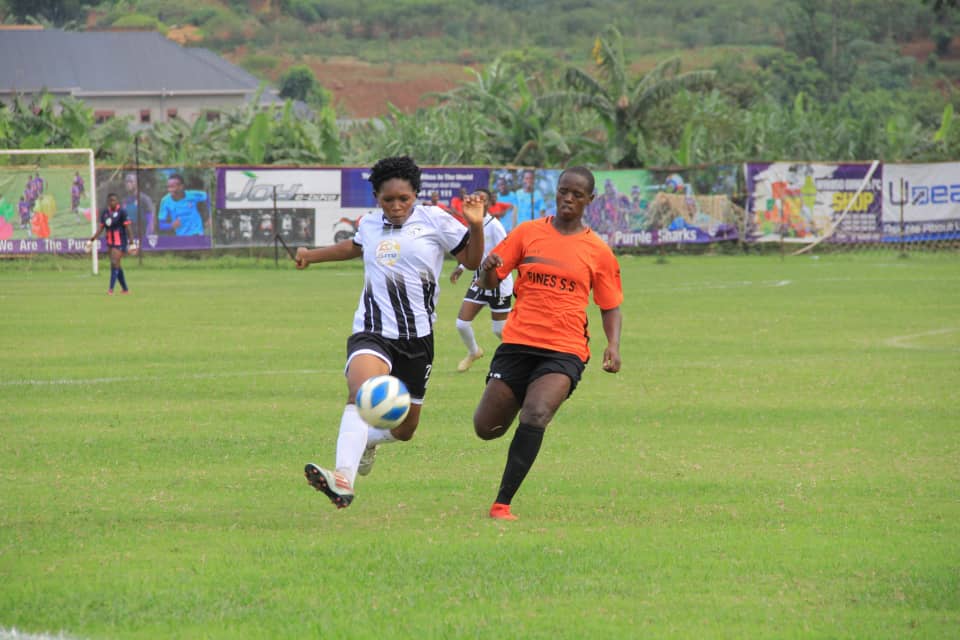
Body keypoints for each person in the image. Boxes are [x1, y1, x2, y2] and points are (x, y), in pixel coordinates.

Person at [295, 156, 485, 509]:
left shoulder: (435, 220)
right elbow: (352, 248)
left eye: (404, 199)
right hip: (372, 331)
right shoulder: (369, 224)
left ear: (416, 195)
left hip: (417, 340)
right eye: (388, 200)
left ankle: (368, 440)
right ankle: (342, 480)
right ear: (376, 198)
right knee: (361, 395)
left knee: (405, 430)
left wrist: (475, 226)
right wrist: (311, 255)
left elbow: (472, 261)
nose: (396, 206)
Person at [472, 166, 623, 521]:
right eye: (563, 192)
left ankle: (502, 503)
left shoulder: (597, 251)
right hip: (518, 344)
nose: (568, 199)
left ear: (590, 200)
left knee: (536, 413)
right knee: (486, 428)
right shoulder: (527, 233)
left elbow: (610, 304)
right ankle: (525, 391)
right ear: (555, 193)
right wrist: (489, 267)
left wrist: (613, 345)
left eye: (577, 194)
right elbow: (490, 282)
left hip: (564, 348)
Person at [449, 188, 513, 372]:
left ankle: (522, 353)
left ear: (489, 203)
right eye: (475, 198)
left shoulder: (495, 226)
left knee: (499, 330)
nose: (478, 202)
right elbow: (473, 251)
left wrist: (492, 279)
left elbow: (506, 254)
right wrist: (461, 267)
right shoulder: (473, 224)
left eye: (483, 199)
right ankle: (474, 351)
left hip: (499, 284)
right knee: (461, 324)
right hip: (479, 280)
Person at [89, 193, 135, 295]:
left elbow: (128, 228)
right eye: (110, 200)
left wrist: (132, 243)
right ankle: (125, 289)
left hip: (120, 242)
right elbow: (101, 228)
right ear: (108, 202)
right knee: (116, 265)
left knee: (114, 263)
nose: (112, 202)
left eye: (114, 200)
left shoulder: (122, 212)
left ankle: (110, 289)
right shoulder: (105, 213)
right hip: (110, 242)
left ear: (117, 201)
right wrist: (91, 240)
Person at [122, 172, 156, 237]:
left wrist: (147, 237)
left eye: (131, 181)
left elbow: (151, 221)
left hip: (141, 236)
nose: (128, 184)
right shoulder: (124, 201)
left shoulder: (144, 199)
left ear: (137, 183)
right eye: (126, 182)